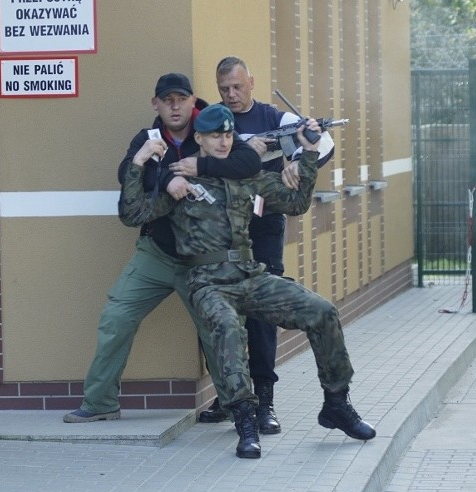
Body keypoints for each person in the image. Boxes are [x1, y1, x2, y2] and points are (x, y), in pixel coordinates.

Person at [119, 104, 376, 458]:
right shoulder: (181, 178)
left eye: (227, 135)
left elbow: (297, 202)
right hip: (206, 282)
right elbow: (132, 213)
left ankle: (336, 404)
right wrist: (139, 163)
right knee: (227, 328)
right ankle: (245, 422)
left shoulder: (246, 177)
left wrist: (309, 154)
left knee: (321, 311)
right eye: (215, 136)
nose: (223, 142)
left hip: (249, 276)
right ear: (200, 139)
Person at [63, 73, 261, 423]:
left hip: (203, 261)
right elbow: (127, 172)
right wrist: (166, 177)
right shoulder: (150, 138)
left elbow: (248, 163)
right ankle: (99, 403)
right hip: (155, 253)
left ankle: (238, 408)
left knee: (218, 331)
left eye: (180, 99)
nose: (174, 105)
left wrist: (198, 165)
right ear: (155, 104)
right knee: (116, 318)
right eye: (166, 99)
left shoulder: (216, 126)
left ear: (192, 101)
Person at [189, 56, 336, 434]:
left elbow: (325, 141)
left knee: (261, 314)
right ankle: (229, 397)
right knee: (218, 314)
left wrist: (297, 160)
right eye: (224, 89)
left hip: (265, 224)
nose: (231, 95)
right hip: (219, 230)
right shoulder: (214, 122)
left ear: (251, 82)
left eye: (237, 87)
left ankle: (265, 402)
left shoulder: (275, 118)